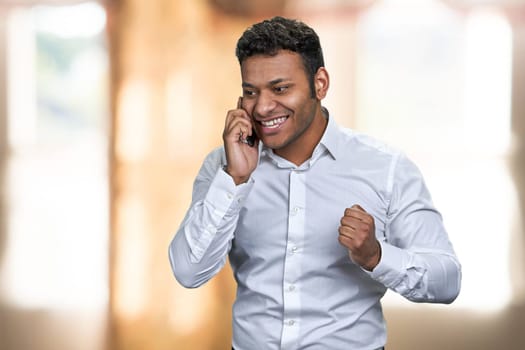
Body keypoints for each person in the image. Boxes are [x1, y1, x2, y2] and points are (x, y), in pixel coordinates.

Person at [169, 16, 461, 350]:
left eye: (280, 89)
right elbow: (189, 272)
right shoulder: (224, 165)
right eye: (251, 92)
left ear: (319, 84)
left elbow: (447, 280)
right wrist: (235, 179)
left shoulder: (386, 168)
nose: (263, 107)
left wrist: (376, 256)